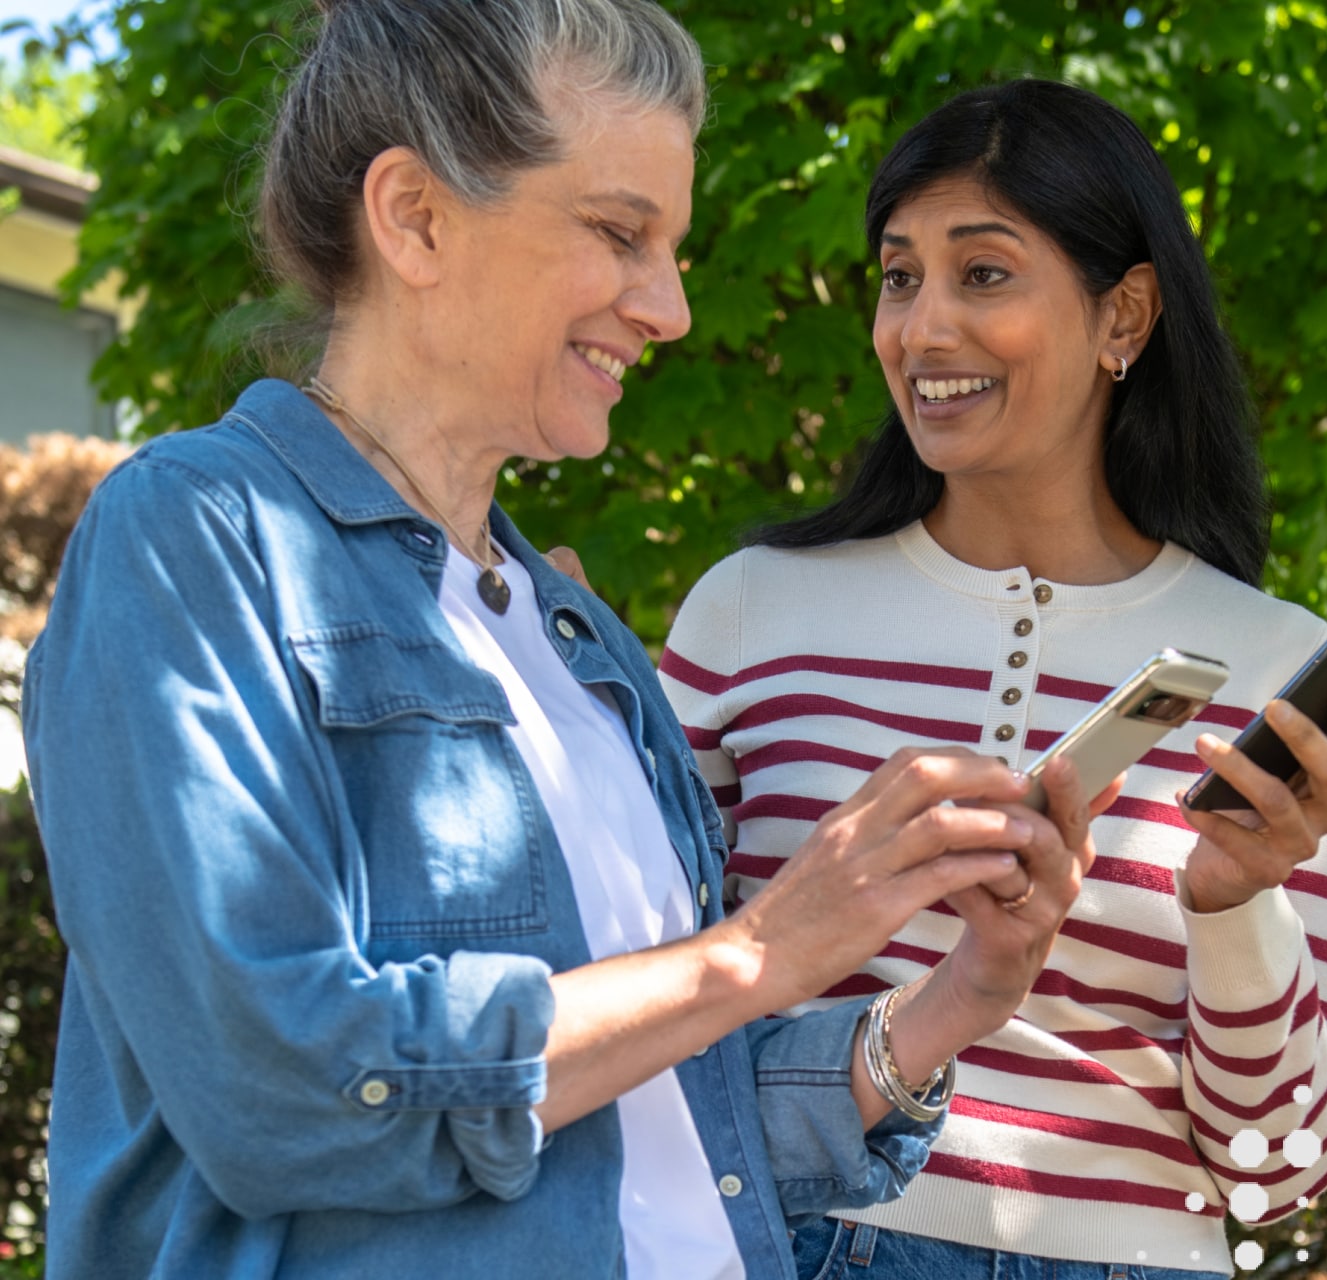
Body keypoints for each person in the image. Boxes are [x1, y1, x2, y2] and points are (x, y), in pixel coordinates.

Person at [21, 13, 1114, 1280]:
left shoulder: (577, 636)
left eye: (673, 248)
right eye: (617, 233)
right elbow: (286, 1089)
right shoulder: (197, 536)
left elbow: (660, 1141)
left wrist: (944, 1011)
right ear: (416, 216)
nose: (670, 307)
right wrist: (755, 951)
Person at [662, 79, 1327, 1280]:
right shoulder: (751, 612)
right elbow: (654, 1015)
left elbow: (1279, 1166)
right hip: (785, 1243)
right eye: (900, 277)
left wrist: (1236, 903)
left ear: (1126, 317)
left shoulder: (1276, 667)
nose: (923, 327)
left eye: (983, 273)